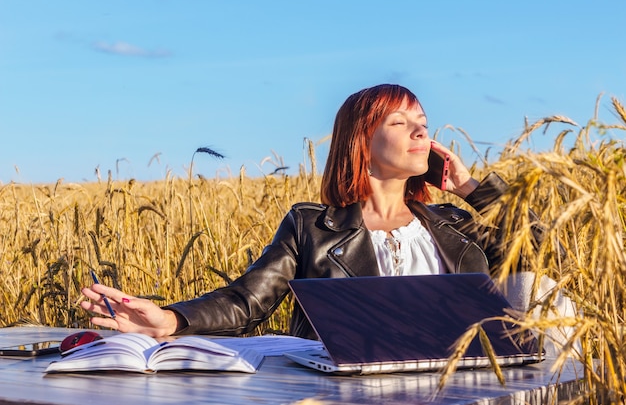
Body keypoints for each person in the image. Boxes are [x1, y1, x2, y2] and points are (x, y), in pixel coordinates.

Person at [81, 84, 540, 340]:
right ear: (362, 142)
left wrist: (472, 189)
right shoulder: (311, 228)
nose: (420, 132)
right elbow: (247, 302)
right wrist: (170, 320)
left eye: (423, 124)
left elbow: (545, 253)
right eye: (400, 123)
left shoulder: (457, 228)